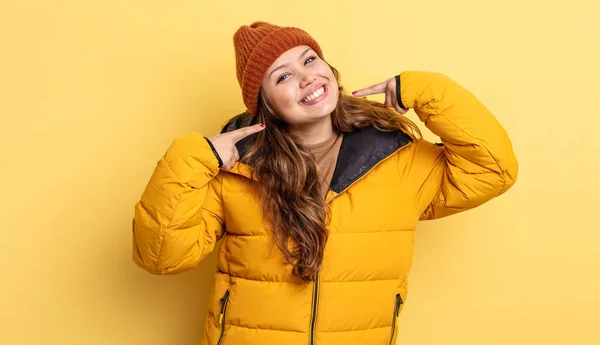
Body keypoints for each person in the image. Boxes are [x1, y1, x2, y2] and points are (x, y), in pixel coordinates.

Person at [132, 21, 518, 345]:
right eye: (283, 76)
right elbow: (162, 256)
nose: (306, 78)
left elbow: (493, 170)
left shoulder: (398, 160)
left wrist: (429, 92)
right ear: (263, 102)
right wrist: (192, 158)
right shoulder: (235, 171)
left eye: (309, 59)